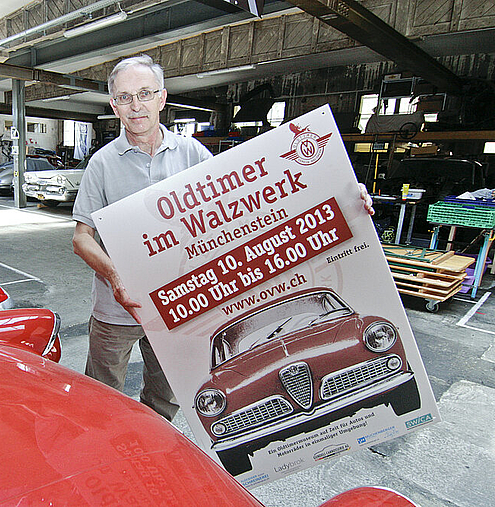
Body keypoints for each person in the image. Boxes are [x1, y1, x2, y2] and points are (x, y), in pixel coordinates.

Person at [72, 54, 374, 421]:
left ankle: (149, 450)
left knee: (166, 395)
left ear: (162, 98)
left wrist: (340, 192)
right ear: (113, 105)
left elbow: (251, 206)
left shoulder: (194, 154)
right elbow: (82, 238)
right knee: (99, 397)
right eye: (124, 97)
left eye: (145, 93)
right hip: (114, 311)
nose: (136, 106)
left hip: (179, 308)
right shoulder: (102, 164)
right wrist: (116, 277)